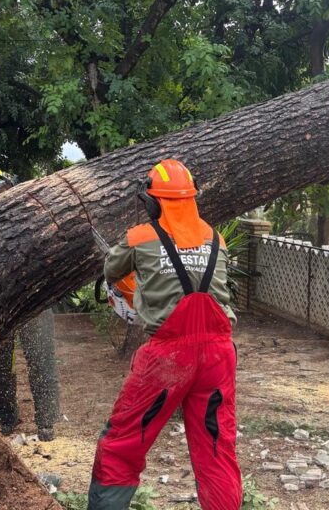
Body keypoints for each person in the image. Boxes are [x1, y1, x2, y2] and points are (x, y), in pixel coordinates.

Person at [87, 159, 241, 510]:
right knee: (217, 449)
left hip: (169, 358)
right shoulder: (216, 239)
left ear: (153, 202)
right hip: (218, 355)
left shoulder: (140, 237)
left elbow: (112, 268)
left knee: (122, 442)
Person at [0, 168, 60, 441]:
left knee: (41, 357)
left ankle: (47, 421)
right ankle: (6, 418)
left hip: (34, 297)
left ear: (10, 187)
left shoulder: (33, 217)